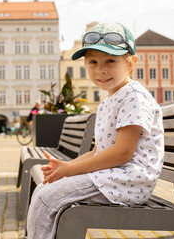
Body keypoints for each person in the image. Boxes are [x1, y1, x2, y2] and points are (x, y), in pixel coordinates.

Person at [27, 22, 164, 239]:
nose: (101, 69)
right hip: (113, 176)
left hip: (129, 180)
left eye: (111, 61)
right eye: (93, 62)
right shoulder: (109, 101)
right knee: (45, 190)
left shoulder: (133, 96)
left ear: (131, 63)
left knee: (48, 197)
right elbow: (98, 151)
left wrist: (70, 171)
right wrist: (65, 166)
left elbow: (122, 153)